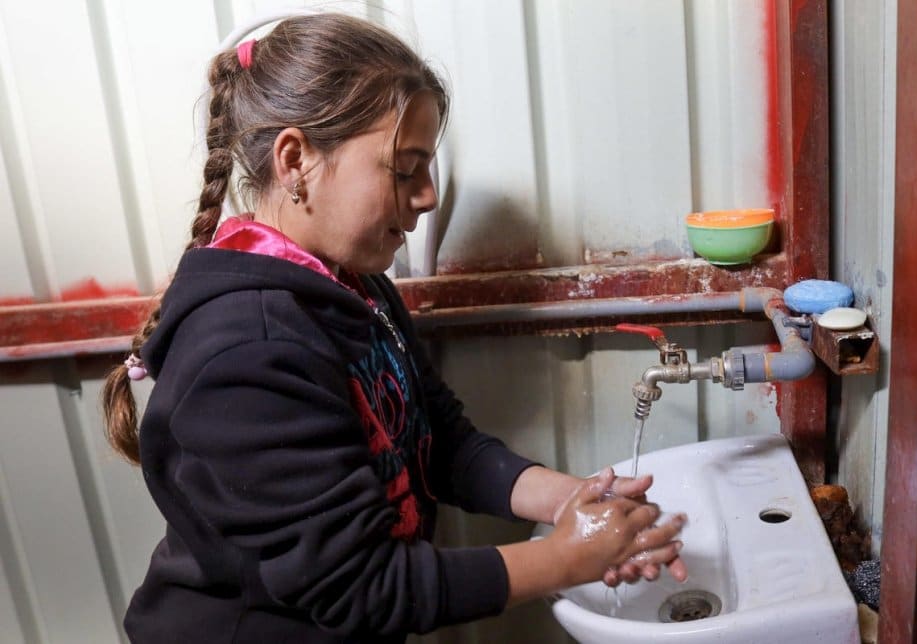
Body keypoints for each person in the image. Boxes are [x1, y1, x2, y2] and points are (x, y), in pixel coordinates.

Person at [101, 12, 687, 643]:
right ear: (295, 159)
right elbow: (361, 585)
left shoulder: (354, 285)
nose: (429, 195)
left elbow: (437, 440)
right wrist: (570, 558)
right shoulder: (249, 351)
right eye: (405, 169)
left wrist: (569, 501)